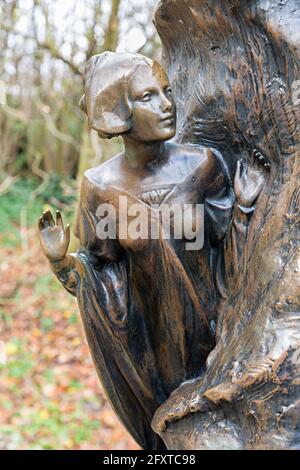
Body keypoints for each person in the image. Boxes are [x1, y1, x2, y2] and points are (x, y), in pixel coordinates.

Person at [38, 52, 264, 449]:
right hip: (155, 355)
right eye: (148, 96)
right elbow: (102, 276)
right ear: (117, 111)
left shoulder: (203, 166)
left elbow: (231, 252)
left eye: (168, 91)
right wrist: (62, 262)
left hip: (215, 342)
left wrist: (243, 207)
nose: (167, 104)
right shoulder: (101, 188)